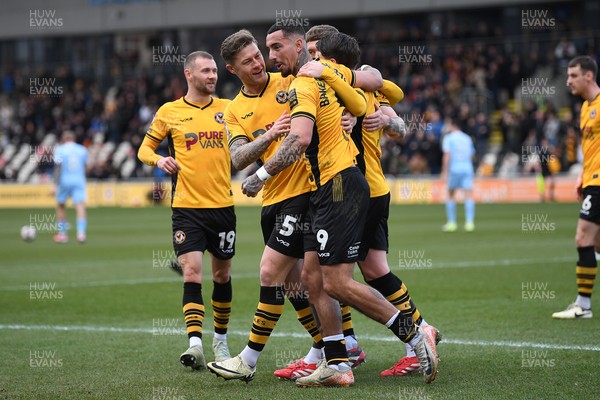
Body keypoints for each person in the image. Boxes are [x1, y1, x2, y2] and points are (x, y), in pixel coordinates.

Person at [238, 24, 439, 387]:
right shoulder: (331, 77)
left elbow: (300, 138)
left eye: (275, 48)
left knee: (337, 282)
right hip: (331, 189)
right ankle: (336, 362)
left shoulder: (307, 81)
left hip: (339, 186)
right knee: (314, 278)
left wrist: (261, 176)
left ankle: (414, 335)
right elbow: (365, 99)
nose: (269, 58)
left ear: (305, 50)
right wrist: (355, 111)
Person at [206, 29, 373, 384]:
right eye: (248, 61)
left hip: (306, 191)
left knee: (271, 273)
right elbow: (237, 158)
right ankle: (334, 350)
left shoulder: (294, 77)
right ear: (233, 69)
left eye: (258, 55)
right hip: (274, 200)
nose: (258, 63)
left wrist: (354, 114)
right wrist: (268, 136)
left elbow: (358, 78)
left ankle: (248, 360)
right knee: (301, 283)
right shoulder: (234, 111)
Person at [310, 30, 441, 378]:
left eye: (315, 52)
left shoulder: (344, 86)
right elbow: (392, 97)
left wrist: (386, 117)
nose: (312, 60)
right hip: (368, 189)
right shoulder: (350, 87)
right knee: (372, 270)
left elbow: (392, 102)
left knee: (336, 276)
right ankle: (414, 331)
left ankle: (349, 348)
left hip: (355, 191)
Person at [137, 51, 235, 369]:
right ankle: (195, 345)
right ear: (188, 74)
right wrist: (159, 160)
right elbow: (144, 149)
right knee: (191, 272)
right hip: (186, 208)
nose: (212, 76)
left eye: (215, 71)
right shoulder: (170, 112)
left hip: (222, 206)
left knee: (222, 276)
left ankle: (221, 341)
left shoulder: (228, 109)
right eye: (205, 70)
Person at [553, 55, 600, 319]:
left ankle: (583, 306)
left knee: (583, 238)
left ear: (588, 76)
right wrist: (582, 175)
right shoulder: (585, 108)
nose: (568, 81)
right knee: (596, 244)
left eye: (573, 76)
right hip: (591, 180)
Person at [441, 117, 476, 232]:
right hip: (467, 168)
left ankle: (452, 223)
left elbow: (447, 155)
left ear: (452, 125)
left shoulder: (449, 138)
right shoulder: (467, 138)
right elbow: (471, 154)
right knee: (468, 195)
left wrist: (444, 171)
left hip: (454, 168)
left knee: (451, 194)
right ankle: (469, 223)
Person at [53, 130, 89, 244]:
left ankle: (62, 234)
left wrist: (54, 184)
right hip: (79, 180)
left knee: (61, 206)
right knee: (80, 206)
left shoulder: (60, 149)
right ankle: (81, 234)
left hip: (64, 180)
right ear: (74, 139)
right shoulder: (82, 149)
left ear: (63, 140)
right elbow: (86, 166)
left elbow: (58, 168)